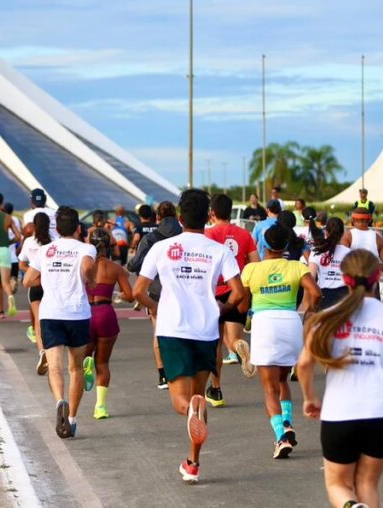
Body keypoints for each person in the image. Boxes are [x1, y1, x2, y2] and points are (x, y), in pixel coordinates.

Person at [133, 189, 245, 483]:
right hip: (206, 331)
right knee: (198, 394)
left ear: (180, 217)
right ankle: (193, 462)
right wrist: (222, 309)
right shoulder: (219, 250)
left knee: (181, 402)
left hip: (173, 330)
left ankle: (192, 413)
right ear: (208, 216)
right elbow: (239, 292)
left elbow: (138, 291)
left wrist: (160, 308)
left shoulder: (163, 248)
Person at [298, 249, 383, 508]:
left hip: (341, 412)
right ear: (377, 278)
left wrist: (310, 398)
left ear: (344, 278)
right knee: (367, 483)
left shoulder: (327, 318)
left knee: (338, 484)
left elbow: (304, 364)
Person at [242, 224, 321, 459]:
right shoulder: (297, 266)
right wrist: (308, 312)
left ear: (264, 245)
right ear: (286, 245)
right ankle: (287, 423)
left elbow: (244, 302)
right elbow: (315, 293)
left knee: (269, 388)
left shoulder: (251, 269)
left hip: (264, 324)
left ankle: (281, 437)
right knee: (283, 380)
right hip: (290, 322)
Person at [24, 206, 97, 440]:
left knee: (54, 367)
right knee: (76, 367)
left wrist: (47, 278)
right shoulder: (86, 247)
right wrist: (90, 279)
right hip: (77, 314)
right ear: (78, 228)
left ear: (58, 228)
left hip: (50, 313)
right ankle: (72, 419)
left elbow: (27, 280)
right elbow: (86, 266)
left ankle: (60, 401)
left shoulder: (45, 250)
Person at [204, 193, 259, 406]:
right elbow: (255, 263)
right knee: (232, 337)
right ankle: (238, 346)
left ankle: (216, 389)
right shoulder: (245, 234)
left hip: (215, 291)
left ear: (212, 213)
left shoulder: (208, 234)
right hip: (238, 289)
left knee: (217, 343)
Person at [127, 200, 182, 390]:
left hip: (158, 290)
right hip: (183, 289)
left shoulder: (152, 238)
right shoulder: (185, 234)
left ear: (157, 217)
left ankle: (163, 376)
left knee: (159, 333)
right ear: (175, 216)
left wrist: (132, 266)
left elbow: (134, 263)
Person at [84, 229, 134, 420]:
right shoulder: (115, 268)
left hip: (85, 313)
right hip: (106, 314)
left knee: (83, 355)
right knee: (103, 363)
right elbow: (130, 295)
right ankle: (100, 406)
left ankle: (85, 362)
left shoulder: (83, 266)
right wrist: (120, 295)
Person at [20, 212, 54, 374]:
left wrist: (33, 272)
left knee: (38, 321)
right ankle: (54, 349)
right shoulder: (54, 242)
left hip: (34, 285)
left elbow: (21, 264)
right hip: (51, 284)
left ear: (34, 225)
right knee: (54, 318)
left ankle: (42, 352)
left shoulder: (28, 242)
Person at [342, 207, 383, 285]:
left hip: (353, 282)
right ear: (369, 220)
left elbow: (342, 261)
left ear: (353, 219)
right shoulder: (377, 237)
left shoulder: (348, 236)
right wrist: (371, 269)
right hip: (372, 284)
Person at [308, 217, 350, 310]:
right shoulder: (349, 253)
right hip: (345, 296)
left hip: (324, 296)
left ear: (326, 232)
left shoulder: (317, 252)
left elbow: (311, 277)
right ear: (343, 233)